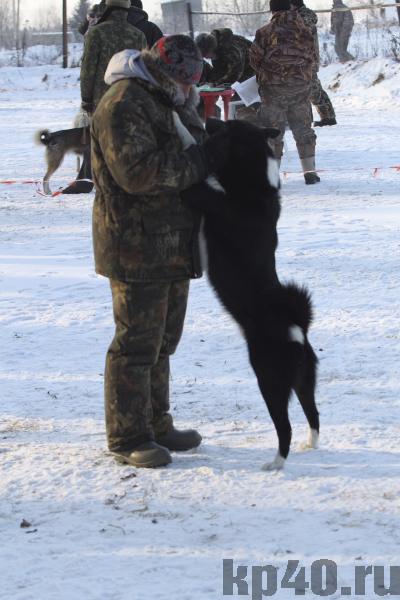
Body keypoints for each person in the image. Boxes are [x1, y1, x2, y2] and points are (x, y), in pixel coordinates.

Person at [90, 36, 231, 468]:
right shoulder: (123, 102)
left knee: (163, 342)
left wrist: (216, 143)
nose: (191, 90)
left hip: (172, 241)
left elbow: (187, 144)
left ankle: (156, 423)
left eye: (194, 84)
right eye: (186, 83)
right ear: (164, 74)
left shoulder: (169, 98)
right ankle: (128, 436)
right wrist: (202, 161)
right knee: (136, 344)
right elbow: (137, 173)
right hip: (135, 244)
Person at [64, 0, 147, 195]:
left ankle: (86, 182)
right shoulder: (138, 34)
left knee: (98, 139)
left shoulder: (97, 32)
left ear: (107, 9)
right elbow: (144, 68)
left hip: (101, 99)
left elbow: (88, 69)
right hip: (130, 96)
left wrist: (86, 100)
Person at [250, 0, 319, 185]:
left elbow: (255, 61)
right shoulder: (305, 30)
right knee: (303, 129)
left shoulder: (265, 31)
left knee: (274, 132)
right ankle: (310, 173)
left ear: (272, 11)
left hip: (273, 89)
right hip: (301, 86)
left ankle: (272, 177)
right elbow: (313, 57)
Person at [291, 0, 337, 127]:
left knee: (312, 90)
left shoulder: (302, 18)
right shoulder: (302, 16)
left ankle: (326, 117)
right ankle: (327, 117)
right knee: (313, 89)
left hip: (306, 60)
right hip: (306, 59)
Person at [195, 29, 257, 121]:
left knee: (238, 105)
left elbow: (235, 72)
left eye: (206, 54)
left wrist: (215, 84)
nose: (206, 58)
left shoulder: (229, 48)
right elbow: (219, 70)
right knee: (235, 104)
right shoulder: (217, 50)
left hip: (255, 74)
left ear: (211, 49)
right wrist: (209, 82)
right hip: (246, 74)